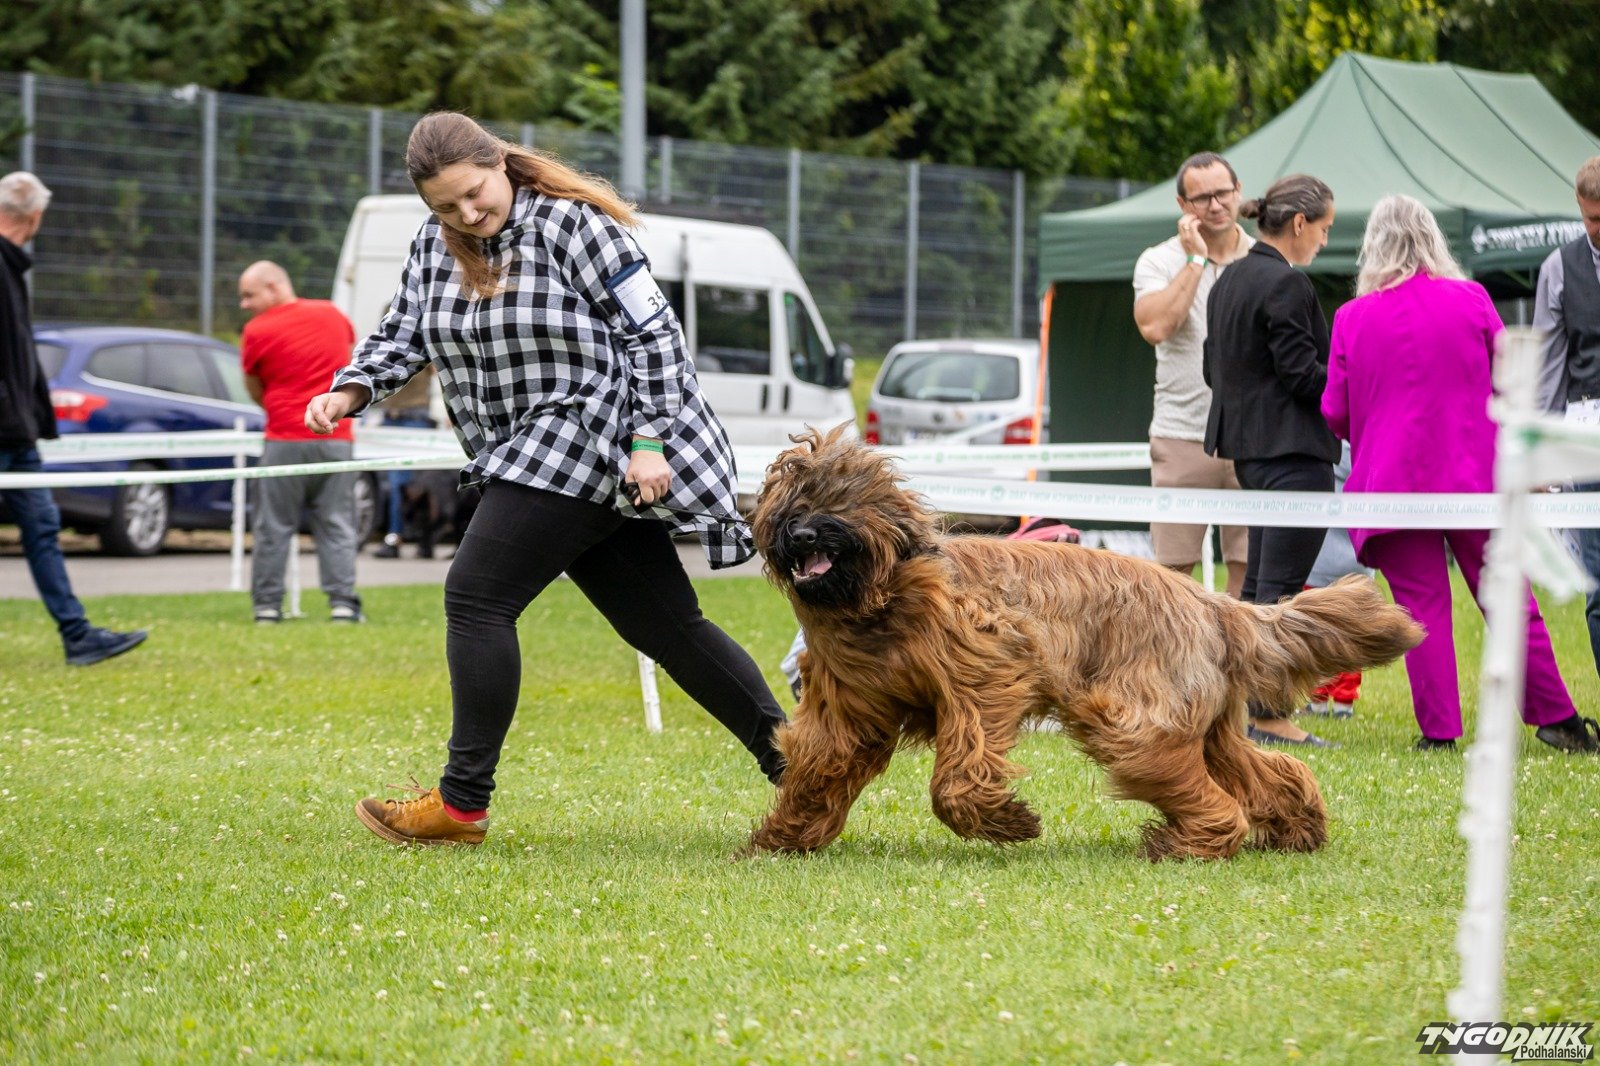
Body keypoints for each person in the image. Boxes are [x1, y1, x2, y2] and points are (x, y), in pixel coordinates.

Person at [306, 112, 787, 847]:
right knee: (667, 626)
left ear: (498, 163)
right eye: (446, 206)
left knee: (476, 597)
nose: (468, 214)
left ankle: (461, 804)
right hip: (525, 450)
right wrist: (351, 390)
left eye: (475, 193)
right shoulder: (434, 246)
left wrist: (649, 441)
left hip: (590, 434)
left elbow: (654, 334)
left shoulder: (575, 226)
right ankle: (802, 766)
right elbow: (403, 332)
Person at [1325, 194, 1596, 753]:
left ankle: (1439, 732)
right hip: (1476, 476)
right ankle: (1557, 719)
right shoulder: (1471, 299)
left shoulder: (1352, 317)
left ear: (1373, 247)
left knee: (1421, 610)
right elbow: (1511, 380)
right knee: (1510, 599)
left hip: (1393, 485)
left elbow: (1336, 411)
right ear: (1432, 239)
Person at [1203, 174, 1339, 747]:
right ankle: (1270, 716)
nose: (1324, 242)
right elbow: (1303, 376)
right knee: (1279, 594)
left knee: (1259, 586)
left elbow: (1212, 371)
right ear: (1300, 223)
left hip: (1248, 452)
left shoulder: (1227, 280)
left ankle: (1242, 707)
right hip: (1293, 453)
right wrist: (1351, 382)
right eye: (1324, 229)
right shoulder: (1288, 283)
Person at [0, 171, 147, 666]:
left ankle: (78, 636)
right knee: (42, 529)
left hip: (18, 436)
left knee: (43, 527)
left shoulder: (10, 267)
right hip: (7, 429)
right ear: (35, 217)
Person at [1133, 152, 1252, 598]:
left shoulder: (1265, 258)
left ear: (1238, 192)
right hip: (1183, 434)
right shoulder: (1158, 260)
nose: (1215, 205)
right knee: (1170, 578)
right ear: (1183, 206)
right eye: (1202, 198)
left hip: (1251, 437)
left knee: (1250, 571)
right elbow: (1155, 327)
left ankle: (1237, 650)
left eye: (1223, 193)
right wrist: (1195, 262)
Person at [237, 261, 365, 624]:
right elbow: (352, 364)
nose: (244, 304)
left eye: (249, 295)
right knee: (337, 522)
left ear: (274, 287)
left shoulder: (256, 330)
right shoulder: (333, 314)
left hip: (284, 439)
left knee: (273, 525)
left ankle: (267, 607)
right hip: (337, 438)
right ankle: (343, 605)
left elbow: (254, 387)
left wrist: (280, 408)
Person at [1534, 155, 1600, 682]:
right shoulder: (1559, 268)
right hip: (1586, 433)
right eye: (1591, 219)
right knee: (1598, 580)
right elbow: (1548, 370)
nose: (1598, 229)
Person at [1301, 444, 1368, 718]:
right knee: (1353, 634)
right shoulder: (1366, 453)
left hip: (1318, 561)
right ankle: (1344, 702)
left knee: (1315, 633)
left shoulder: (1320, 452)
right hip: (1357, 562)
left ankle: (1317, 700)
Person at [372, 364, 438, 560]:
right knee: (397, 484)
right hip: (390, 419)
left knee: (411, 485)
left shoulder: (424, 349)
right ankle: (406, 537)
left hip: (416, 419)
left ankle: (401, 537)